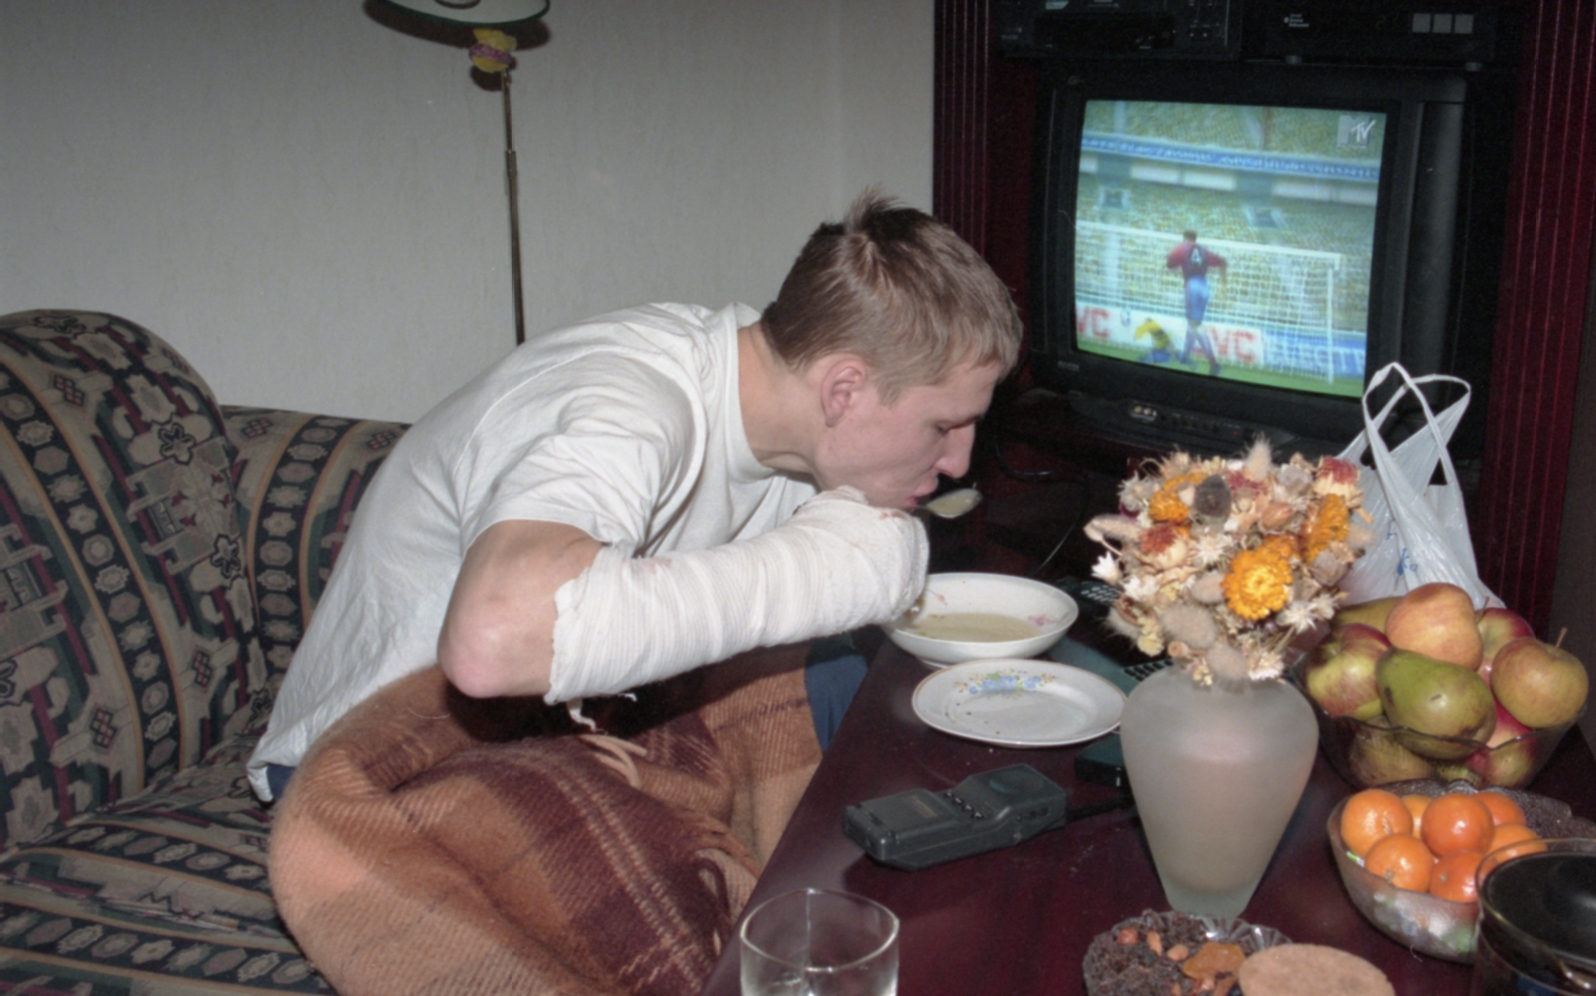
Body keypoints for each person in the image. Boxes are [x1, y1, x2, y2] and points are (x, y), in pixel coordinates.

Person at [245, 191, 1023, 801]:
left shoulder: (789, 426)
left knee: (848, 686)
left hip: (542, 736)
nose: (960, 460)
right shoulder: (627, 405)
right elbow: (491, 643)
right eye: (944, 425)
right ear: (844, 390)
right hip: (366, 767)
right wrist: (826, 575)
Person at [1165, 229, 1226, 376]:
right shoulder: (1204, 250)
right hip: (1205, 286)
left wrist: (1177, 265)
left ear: (1184, 238)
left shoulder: (1182, 248)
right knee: (1193, 322)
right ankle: (1185, 355)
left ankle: (1214, 363)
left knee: (1195, 325)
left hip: (1192, 285)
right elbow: (1223, 262)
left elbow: (1169, 263)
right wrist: (1224, 284)